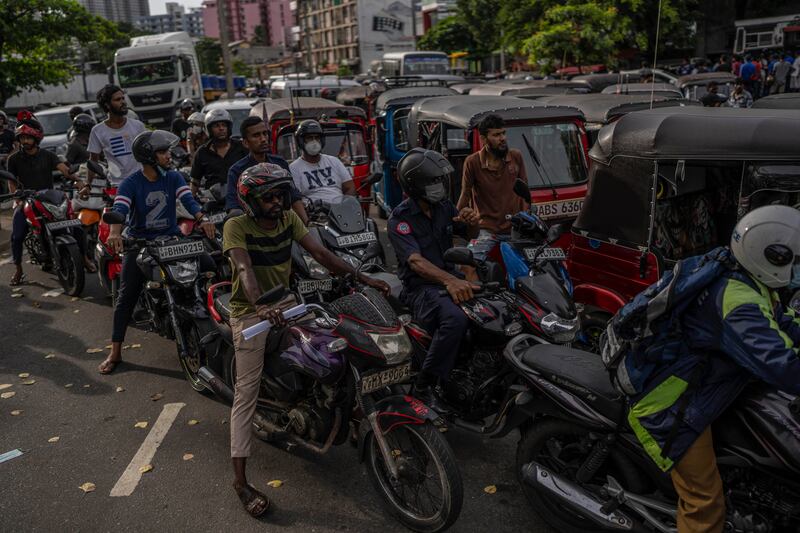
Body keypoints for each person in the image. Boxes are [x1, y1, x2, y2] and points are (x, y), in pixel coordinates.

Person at [224, 163, 388, 517]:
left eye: (280, 195)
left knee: (337, 345)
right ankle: (240, 481)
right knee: (245, 394)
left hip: (288, 303)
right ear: (251, 200)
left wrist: (363, 276)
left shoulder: (288, 220)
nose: (276, 202)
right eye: (268, 196)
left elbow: (322, 255)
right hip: (251, 312)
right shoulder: (236, 226)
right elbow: (243, 269)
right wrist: (261, 305)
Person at [627, 205, 800, 533]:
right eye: (795, 260)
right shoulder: (739, 305)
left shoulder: (749, 280)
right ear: (771, 258)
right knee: (705, 502)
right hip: (671, 405)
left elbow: (784, 324)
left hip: (708, 386)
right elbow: (781, 364)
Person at [97, 130, 216, 375]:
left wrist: (203, 219)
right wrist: (116, 232)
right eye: (163, 152)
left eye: (167, 151)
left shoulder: (173, 177)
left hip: (172, 240)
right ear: (149, 157)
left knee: (211, 266)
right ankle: (115, 351)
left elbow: (189, 202)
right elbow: (120, 208)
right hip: (141, 244)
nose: (168, 156)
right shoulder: (131, 183)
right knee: (125, 298)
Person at [388, 148, 481, 414]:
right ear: (414, 185)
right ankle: (424, 385)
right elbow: (415, 261)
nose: (439, 186)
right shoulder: (399, 219)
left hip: (452, 279)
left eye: (440, 180)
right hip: (421, 288)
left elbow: (468, 233)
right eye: (432, 182)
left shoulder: (444, 207)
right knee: (455, 319)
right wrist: (450, 280)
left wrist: (473, 220)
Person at [6, 115, 88, 285]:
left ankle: (85, 258)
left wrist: (78, 181)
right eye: (22, 138)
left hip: (49, 198)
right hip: (26, 199)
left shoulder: (48, 155)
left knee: (77, 226)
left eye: (28, 137)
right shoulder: (13, 159)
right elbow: (11, 181)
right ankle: (18, 269)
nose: (25, 141)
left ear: (36, 138)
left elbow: (64, 169)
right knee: (17, 234)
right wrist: (17, 198)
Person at [456, 114, 529, 263]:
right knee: (468, 264)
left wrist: (526, 219)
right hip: (486, 230)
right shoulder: (472, 162)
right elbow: (465, 194)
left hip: (515, 229)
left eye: (503, 133)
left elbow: (525, 192)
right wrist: (456, 219)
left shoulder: (516, 156)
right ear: (483, 139)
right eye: (496, 135)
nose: (502, 138)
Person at [225, 116, 309, 225]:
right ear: (245, 143)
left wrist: (307, 223)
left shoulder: (280, 163)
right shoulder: (236, 171)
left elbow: (293, 196)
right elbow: (234, 208)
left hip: (284, 223)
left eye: (265, 133)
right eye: (256, 135)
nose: (263, 139)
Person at [88, 84, 146, 187]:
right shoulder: (97, 131)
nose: (123, 102)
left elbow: (149, 153)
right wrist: (88, 185)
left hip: (141, 181)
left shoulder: (138, 126)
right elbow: (93, 161)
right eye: (118, 99)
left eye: (123, 98)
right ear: (107, 105)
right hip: (117, 185)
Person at [288, 120, 355, 205]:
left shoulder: (334, 161)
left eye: (317, 137)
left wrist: (346, 205)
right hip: (315, 215)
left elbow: (349, 187)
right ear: (301, 141)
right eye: (309, 138)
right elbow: (296, 199)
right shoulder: (294, 168)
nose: (314, 142)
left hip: (340, 212)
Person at [190, 108, 248, 193]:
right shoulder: (202, 152)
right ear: (209, 129)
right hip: (213, 200)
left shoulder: (241, 146)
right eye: (216, 126)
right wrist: (191, 201)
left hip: (240, 197)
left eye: (224, 125)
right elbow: (195, 181)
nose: (221, 128)